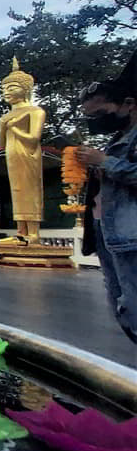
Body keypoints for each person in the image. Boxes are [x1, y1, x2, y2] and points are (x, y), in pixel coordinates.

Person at [78, 66, 137, 343]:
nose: (96, 123)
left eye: (100, 115)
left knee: (134, 304)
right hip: (108, 232)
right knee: (120, 304)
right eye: (90, 118)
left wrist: (105, 162)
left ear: (128, 104)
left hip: (130, 234)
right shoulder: (117, 139)